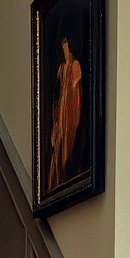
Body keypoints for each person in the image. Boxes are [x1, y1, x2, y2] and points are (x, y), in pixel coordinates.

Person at [47, 35, 83, 191]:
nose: (65, 47)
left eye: (67, 44)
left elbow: (76, 87)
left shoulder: (75, 66)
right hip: (62, 108)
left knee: (69, 138)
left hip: (71, 108)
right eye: (63, 44)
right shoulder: (62, 68)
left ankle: (66, 170)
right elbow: (57, 92)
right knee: (60, 140)